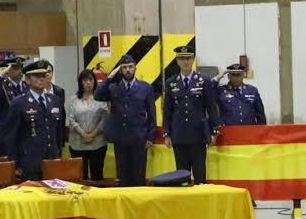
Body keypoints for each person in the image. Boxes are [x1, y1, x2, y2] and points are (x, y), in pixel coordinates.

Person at [94, 54, 156, 186]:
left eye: (130, 67)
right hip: (120, 139)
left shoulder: (146, 88)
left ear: (135, 68)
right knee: (122, 177)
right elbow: (98, 95)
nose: (128, 70)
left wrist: (150, 137)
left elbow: (151, 114)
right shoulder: (113, 87)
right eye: (124, 67)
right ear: (120, 70)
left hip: (139, 138)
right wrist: (110, 76)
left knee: (138, 176)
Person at [162, 45, 220, 183]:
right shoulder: (171, 82)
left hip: (198, 135)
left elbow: (211, 107)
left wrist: (214, 131)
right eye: (181, 59)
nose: (185, 62)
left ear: (193, 59)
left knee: (200, 175)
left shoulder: (203, 80)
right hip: (179, 135)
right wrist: (166, 133)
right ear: (177, 61)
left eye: (188, 58)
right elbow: (167, 110)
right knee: (181, 176)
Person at [0, 59, 64, 182]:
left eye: (44, 75)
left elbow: (58, 131)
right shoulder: (19, 102)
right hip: (29, 162)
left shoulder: (54, 100)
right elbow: (11, 135)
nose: (42, 79)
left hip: (52, 160)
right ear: (28, 80)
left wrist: (58, 154)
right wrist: (16, 163)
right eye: (37, 76)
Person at [67, 68, 108, 181]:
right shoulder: (73, 100)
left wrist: (93, 134)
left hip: (98, 142)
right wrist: (83, 134)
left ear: (94, 81)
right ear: (80, 83)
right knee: (80, 177)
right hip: (78, 143)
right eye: (85, 80)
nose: (88, 83)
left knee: (97, 175)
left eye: (90, 80)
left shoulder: (101, 99)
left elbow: (105, 118)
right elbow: (71, 120)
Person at [0, 56, 27, 132]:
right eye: (15, 68)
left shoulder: (27, 86)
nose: (19, 71)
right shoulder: (2, 86)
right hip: (8, 129)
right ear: (8, 70)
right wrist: (0, 76)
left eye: (20, 67)